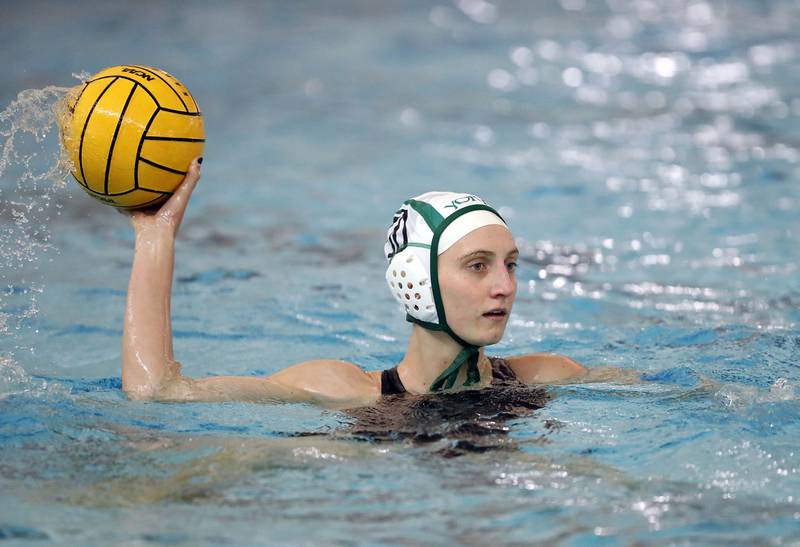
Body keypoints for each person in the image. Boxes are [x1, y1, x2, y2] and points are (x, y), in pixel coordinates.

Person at [122, 158, 587, 409]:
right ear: (415, 280)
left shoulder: (550, 376)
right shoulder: (341, 391)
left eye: (511, 264)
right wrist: (155, 238)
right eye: (478, 266)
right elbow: (157, 391)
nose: (505, 286)